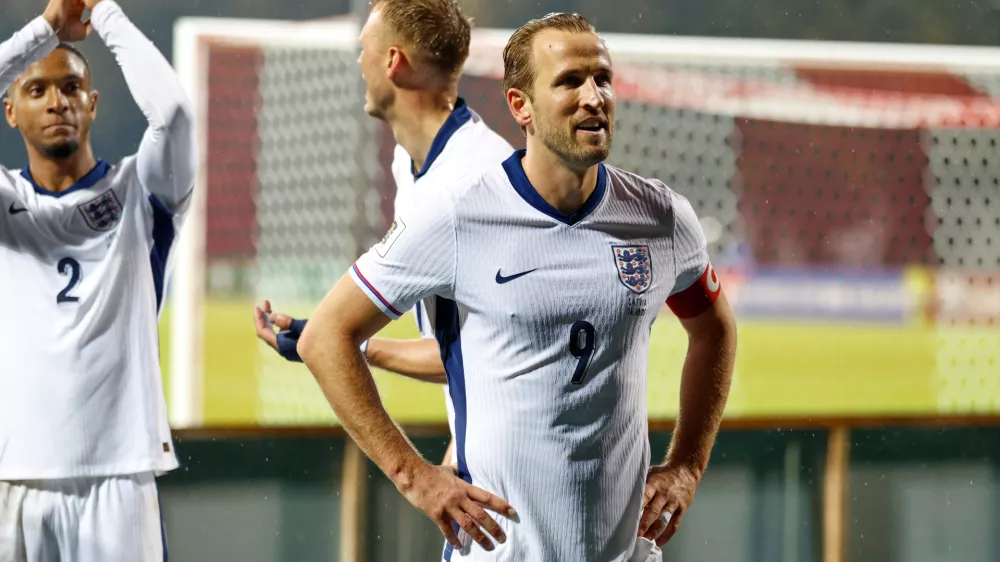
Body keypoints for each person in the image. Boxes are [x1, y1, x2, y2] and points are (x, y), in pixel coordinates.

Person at [297, 11, 738, 562]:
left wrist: (688, 465)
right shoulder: (458, 215)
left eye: (602, 79)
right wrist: (415, 478)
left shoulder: (660, 216)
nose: (594, 97)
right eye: (570, 82)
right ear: (520, 106)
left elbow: (714, 329)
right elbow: (325, 337)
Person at [252, 0, 514, 467]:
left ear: (392, 60)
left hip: (521, 476)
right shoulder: (411, 161)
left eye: (364, 48)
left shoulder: (476, 183)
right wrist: (359, 344)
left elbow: (518, 353)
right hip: (486, 463)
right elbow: (468, 351)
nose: (359, 61)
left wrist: (420, 478)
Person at [0, 0, 196, 559]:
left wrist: (103, 12)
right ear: (10, 111)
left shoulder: (143, 189)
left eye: (71, 88)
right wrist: (44, 30)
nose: (56, 102)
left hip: (120, 475)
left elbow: (174, 113)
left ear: (92, 103)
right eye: (36, 90)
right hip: (14, 474)